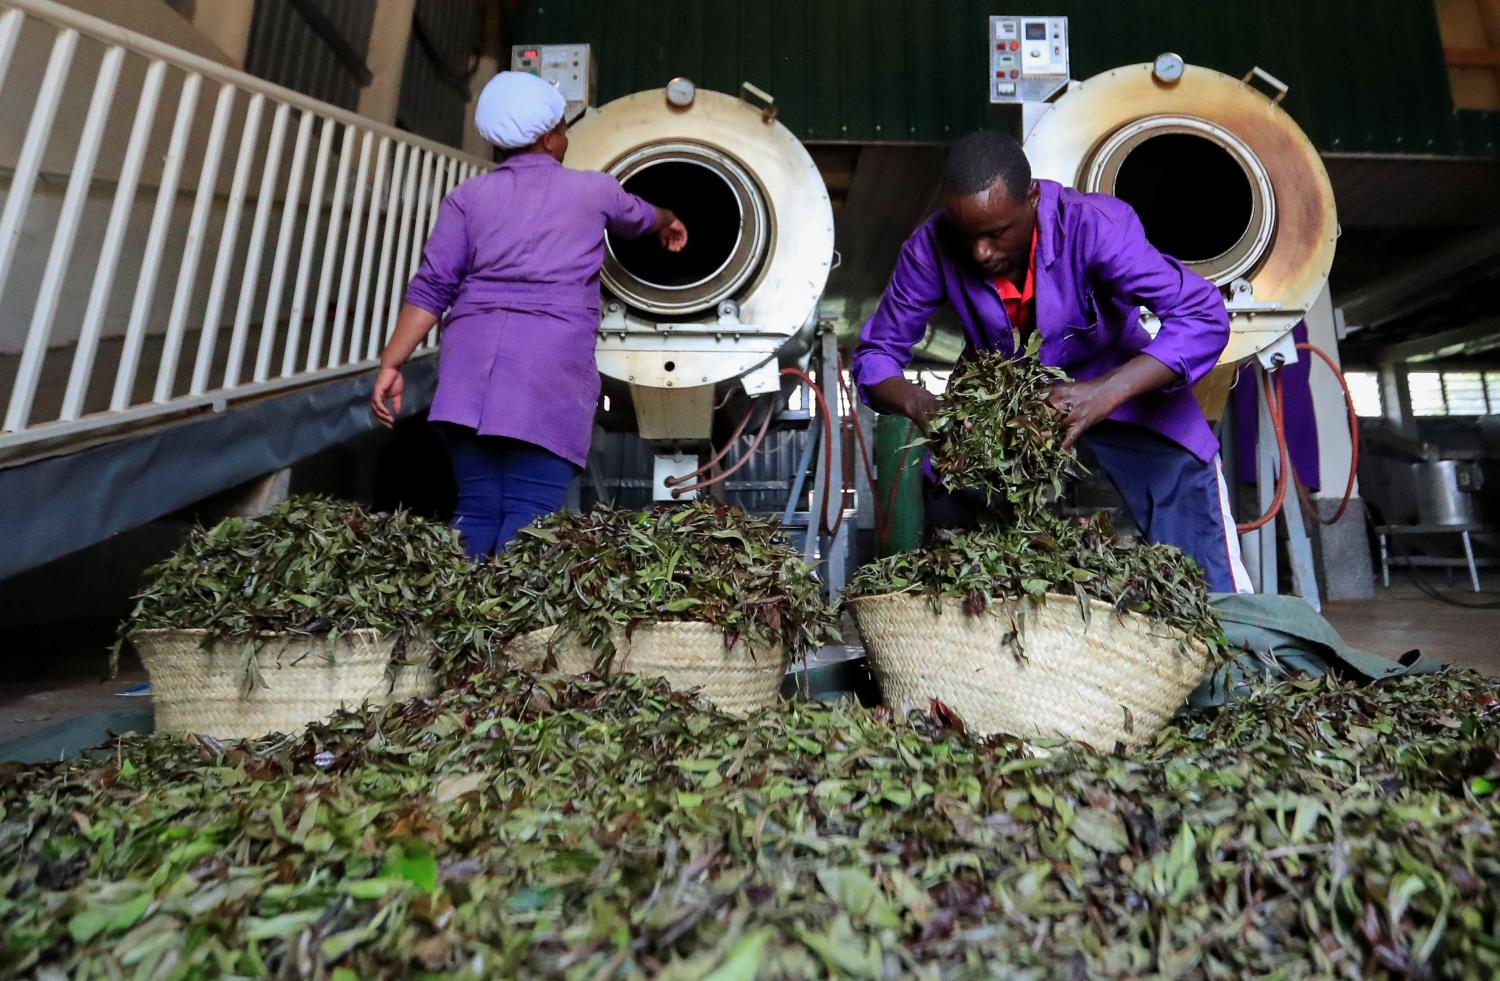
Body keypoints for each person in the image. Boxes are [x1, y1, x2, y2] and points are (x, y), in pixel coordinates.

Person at [851, 130, 1251, 592]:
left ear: (1032, 198)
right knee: (957, 521)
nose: (980, 252)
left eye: (997, 233)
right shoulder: (930, 248)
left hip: (1117, 381)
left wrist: (1105, 393)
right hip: (1005, 404)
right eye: (967, 237)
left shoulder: (1095, 226)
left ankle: (1229, 634)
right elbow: (875, 357)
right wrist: (923, 407)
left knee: (1191, 513)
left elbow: (1203, 316)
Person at [372, 72, 688, 559]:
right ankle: (508, 631)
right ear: (548, 139)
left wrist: (391, 364)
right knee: (531, 515)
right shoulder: (594, 191)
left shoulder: (467, 199)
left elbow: (433, 287)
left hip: (468, 374)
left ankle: (462, 625)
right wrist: (669, 221)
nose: (565, 137)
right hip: (545, 372)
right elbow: (643, 216)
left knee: (476, 509)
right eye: (563, 128)